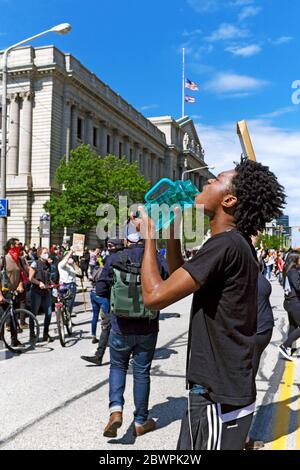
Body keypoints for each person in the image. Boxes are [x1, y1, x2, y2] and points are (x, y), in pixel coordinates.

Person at [134, 158, 285, 450]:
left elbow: (154, 297)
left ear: (229, 200)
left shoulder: (225, 245)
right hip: (219, 390)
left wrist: (150, 238)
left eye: (215, 180)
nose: (205, 182)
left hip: (218, 396)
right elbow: (182, 277)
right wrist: (173, 234)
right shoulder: (233, 242)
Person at [100, 231, 168, 439]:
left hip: (120, 324)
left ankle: (115, 410)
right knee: (141, 372)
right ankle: (140, 421)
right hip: (147, 325)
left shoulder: (115, 258)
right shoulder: (156, 258)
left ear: (127, 241)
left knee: (117, 366)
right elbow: (167, 281)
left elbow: (100, 288)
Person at [81, 238, 124, 358]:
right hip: (131, 298)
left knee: (107, 325)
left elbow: (103, 282)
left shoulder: (111, 259)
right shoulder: (128, 256)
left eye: (110, 246)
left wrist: (101, 292)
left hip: (114, 297)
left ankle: (99, 355)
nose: (108, 249)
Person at [0, 238, 25, 347]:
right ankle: (1, 341)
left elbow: (20, 275)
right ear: (11, 246)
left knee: (14, 317)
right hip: (4, 292)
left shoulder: (18, 259)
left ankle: (14, 340)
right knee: (2, 318)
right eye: (17, 244)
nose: (20, 246)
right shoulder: (4, 259)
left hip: (15, 293)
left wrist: (20, 284)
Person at [29, 247, 53, 343]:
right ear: (39, 254)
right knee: (33, 313)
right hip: (36, 292)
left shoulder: (48, 264)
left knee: (49, 313)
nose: (46, 254)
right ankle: (32, 334)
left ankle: (45, 333)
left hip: (46, 291)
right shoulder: (35, 263)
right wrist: (39, 283)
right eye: (44, 253)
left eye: (47, 253)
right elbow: (30, 278)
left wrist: (51, 284)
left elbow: (49, 276)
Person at [279, 251, 300, 361]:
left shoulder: (288, 270)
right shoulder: (293, 271)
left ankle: (289, 350)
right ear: (295, 259)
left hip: (289, 302)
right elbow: (298, 286)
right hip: (294, 302)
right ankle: (285, 345)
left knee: (293, 327)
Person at [58, 248, 82, 318]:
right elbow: (64, 261)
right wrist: (71, 251)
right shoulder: (61, 264)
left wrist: (74, 264)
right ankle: (61, 319)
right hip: (64, 285)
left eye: (71, 257)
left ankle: (68, 319)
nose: (69, 258)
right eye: (69, 257)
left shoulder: (71, 266)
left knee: (71, 304)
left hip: (72, 285)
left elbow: (79, 273)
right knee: (64, 303)